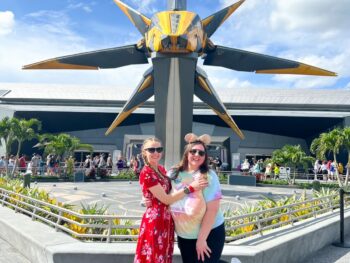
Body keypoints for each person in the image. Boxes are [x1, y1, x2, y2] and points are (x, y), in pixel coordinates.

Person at [134, 137, 207, 263]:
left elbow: (171, 188)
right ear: (144, 152)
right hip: (155, 221)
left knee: (164, 254)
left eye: (159, 149)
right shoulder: (146, 172)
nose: (156, 152)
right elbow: (166, 199)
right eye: (151, 150)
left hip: (167, 220)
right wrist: (190, 188)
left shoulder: (161, 170)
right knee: (155, 256)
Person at [168, 133, 225, 263]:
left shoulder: (208, 176)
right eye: (193, 151)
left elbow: (212, 210)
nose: (197, 155)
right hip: (185, 235)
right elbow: (164, 195)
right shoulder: (173, 173)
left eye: (201, 153)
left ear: (205, 157)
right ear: (187, 153)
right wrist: (148, 199)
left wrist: (201, 239)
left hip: (209, 233)